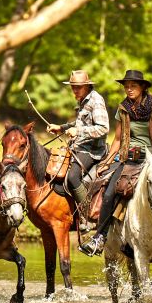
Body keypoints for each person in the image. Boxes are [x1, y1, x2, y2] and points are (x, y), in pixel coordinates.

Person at [79, 70, 152, 257]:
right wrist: (106, 160)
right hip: (129, 159)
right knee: (109, 193)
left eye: (133, 86)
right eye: (126, 86)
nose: (129, 89)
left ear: (143, 87)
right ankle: (100, 237)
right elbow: (118, 139)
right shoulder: (123, 108)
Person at [47, 70, 109, 230]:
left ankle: (87, 216)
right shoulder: (83, 100)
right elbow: (80, 122)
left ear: (87, 86)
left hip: (93, 151)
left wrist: (78, 132)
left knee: (73, 177)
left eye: (78, 87)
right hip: (78, 147)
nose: (75, 90)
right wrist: (61, 127)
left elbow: (103, 128)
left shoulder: (96, 100)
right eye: (73, 87)